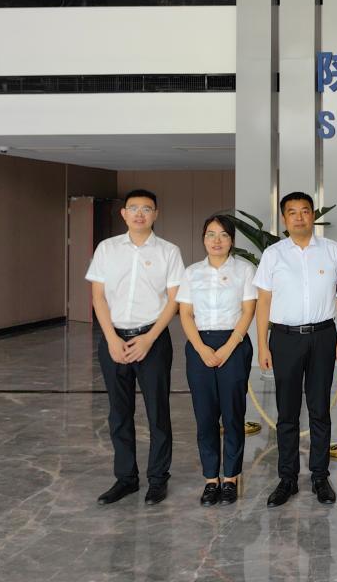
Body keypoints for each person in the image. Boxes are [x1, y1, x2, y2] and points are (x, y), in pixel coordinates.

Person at [86, 188, 184, 506]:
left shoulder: (169, 252)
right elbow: (98, 297)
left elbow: (174, 301)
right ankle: (126, 479)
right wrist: (112, 339)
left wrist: (149, 338)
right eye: (134, 208)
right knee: (119, 413)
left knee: (158, 412)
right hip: (114, 340)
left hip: (152, 340)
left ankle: (158, 479)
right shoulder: (107, 249)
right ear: (124, 213)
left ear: (156, 214)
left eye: (146, 208)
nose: (140, 214)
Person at [254, 191, 337, 507]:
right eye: (292, 212)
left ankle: (320, 476)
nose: (299, 217)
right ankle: (287, 478)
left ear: (313, 215)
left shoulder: (332, 250)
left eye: (305, 211)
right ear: (284, 218)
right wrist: (262, 344)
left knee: (320, 408)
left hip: (323, 336)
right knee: (287, 411)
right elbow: (263, 301)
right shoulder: (273, 255)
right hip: (285, 338)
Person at [177, 214, 257, 506]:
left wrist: (228, 347)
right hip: (199, 345)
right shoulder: (191, 272)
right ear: (203, 239)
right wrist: (201, 348)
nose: (217, 240)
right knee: (205, 416)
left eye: (223, 235)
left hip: (234, 344)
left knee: (233, 414)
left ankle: (231, 478)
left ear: (231, 240)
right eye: (210, 234)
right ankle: (211, 479)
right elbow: (186, 314)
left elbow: (248, 311)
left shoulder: (244, 270)